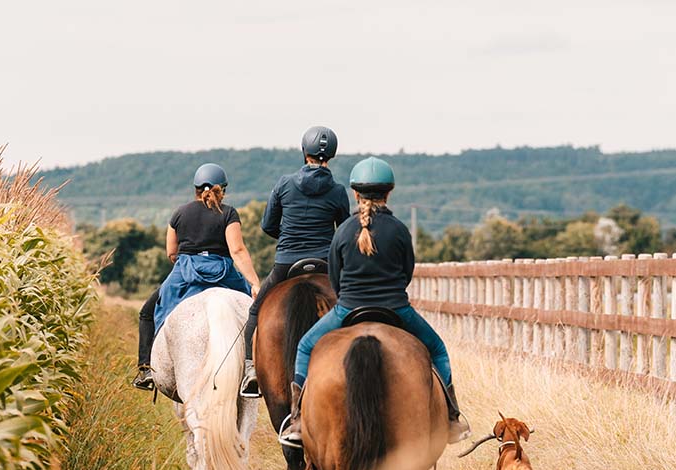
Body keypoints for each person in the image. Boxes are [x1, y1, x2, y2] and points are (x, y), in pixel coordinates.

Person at [278, 156, 471, 446]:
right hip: (396, 309)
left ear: (355, 194)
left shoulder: (343, 231)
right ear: (389, 192)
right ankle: (451, 418)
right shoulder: (399, 230)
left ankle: (297, 420)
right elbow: (407, 272)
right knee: (438, 349)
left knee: (305, 346)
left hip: (347, 309)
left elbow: (335, 276)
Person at [239, 126, 350, 397]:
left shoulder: (284, 183)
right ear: (331, 155)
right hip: (325, 263)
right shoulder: (337, 190)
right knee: (351, 307)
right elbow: (344, 231)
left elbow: (267, 225)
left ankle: (251, 370)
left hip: (286, 264)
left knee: (255, 312)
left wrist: (287, 237)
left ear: (304, 151)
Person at [133, 163, 261, 390]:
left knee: (147, 312)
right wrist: (254, 282)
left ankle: (145, 370)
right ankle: (256, 366)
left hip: (186, 272)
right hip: (223, 272)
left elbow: (171, 252)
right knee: (256, 311)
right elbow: (238, 251)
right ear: (223, 189)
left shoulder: (179, 214)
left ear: (195, 188)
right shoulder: (229, 213)